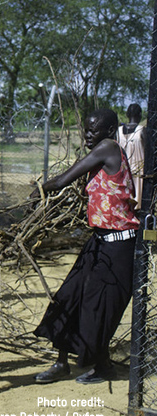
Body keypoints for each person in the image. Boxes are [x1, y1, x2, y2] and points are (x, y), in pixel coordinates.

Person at [31, 109, 139, 385]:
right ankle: (61, 362)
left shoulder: (108, 148)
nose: (88, 135)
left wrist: (40, 190)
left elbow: (63, 179)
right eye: (86, 129)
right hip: (99, 240)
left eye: (94, 130)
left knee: (97, 306)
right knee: (69, 296)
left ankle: (103, 366)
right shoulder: (102, 152)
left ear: (110, 129)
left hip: (119, 244)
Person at [116, 103, 145, 209]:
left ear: (127, 114)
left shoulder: (118, 131)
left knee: (126, 201)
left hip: (123, 171)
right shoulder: (142, 130)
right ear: (140, 114)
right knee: (139, 202)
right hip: (140, 171)